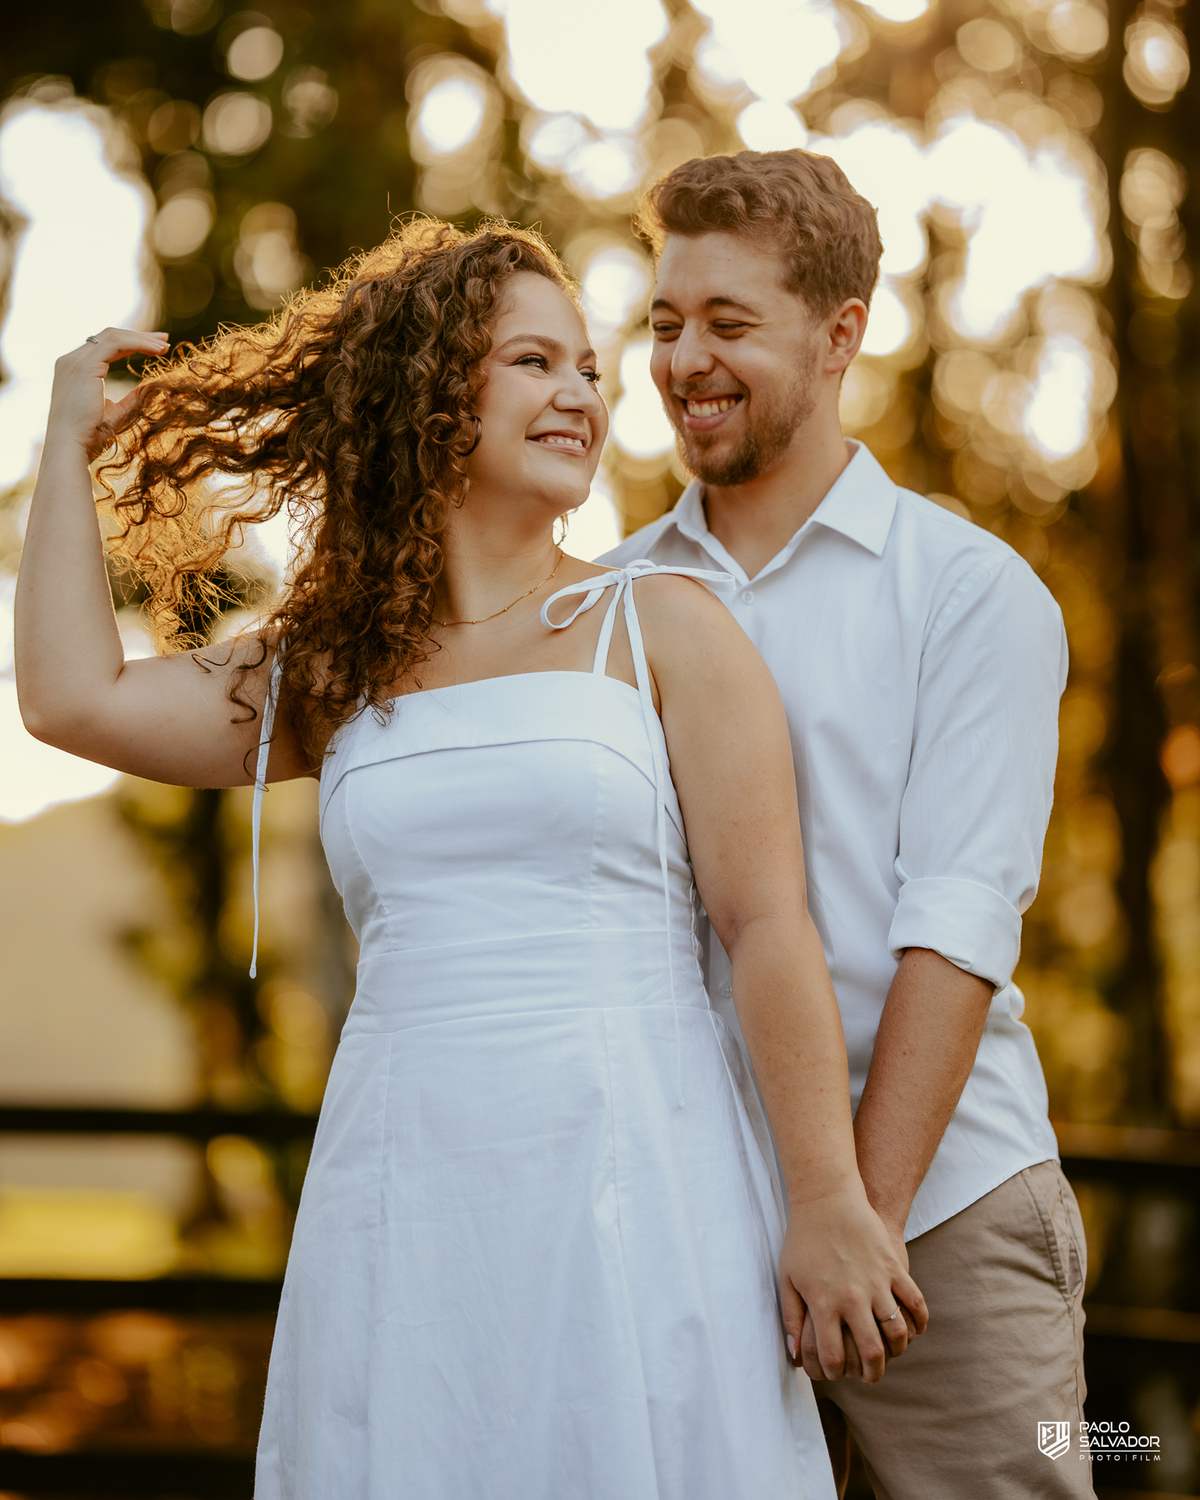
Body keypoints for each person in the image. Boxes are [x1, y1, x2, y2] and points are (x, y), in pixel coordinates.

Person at [15, 219, 926, 1500]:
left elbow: (769, 926)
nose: (583, 395)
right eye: (534, 362)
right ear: (436, 389)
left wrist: (827, 1197)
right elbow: (70, 700)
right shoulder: (334, 666)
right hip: (407, 1181)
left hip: (633, 1166)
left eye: (591, 370)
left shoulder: (660, 626)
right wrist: (63, 439)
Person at [604, 151, 1092, 1499]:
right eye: (663, 323)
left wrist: (855, 1225)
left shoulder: (969, 596)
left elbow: (957, 926)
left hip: (942, 1209)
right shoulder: (603, 603)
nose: (684, 360)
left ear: (840, 336)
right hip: (688, 1214)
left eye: (729, 324)